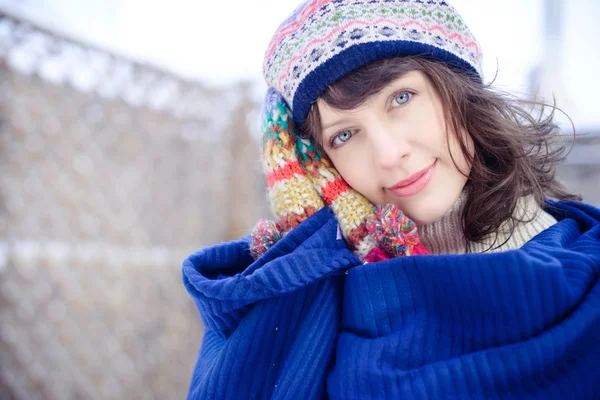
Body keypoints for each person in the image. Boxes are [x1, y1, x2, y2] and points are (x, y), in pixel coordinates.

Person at [182, 0, 600, 398]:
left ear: (459, 91)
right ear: (319, 165)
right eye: (344, 135)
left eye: (401, 98)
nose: (387, 153)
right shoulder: (311, 297)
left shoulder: (586, 276)